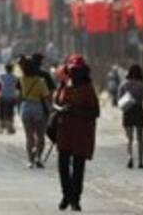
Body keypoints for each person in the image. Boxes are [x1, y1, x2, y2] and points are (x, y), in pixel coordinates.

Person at [53, 55, 99, 212]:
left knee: (78, 168)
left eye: (78, 71)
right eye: (72, 70)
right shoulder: (64, 85)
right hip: (64, 132)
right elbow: (56, 104)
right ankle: (67, 195)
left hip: (81, 134)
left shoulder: (88, 89)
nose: (75, 73)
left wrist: (78, 111)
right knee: (63, 166)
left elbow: (95, 111)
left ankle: (75, 199)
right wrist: (61, 109)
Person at [19, 55, 52, 168]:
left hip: (26, 108)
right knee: (40, 136)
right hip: (38, 109)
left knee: (29, 137)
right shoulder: (41, 81)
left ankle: (30, 160)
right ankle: (38, 157)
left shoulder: (22, 80)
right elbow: (46, 96)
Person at [117, 64, 143, 170]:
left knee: (129, 138)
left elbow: (119, 100)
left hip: (128, 111)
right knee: (140, 138)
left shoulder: (123, 85)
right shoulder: (142, 85)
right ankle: (141, 161)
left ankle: (130, 157)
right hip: (138, 110)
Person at [0, 61, 19, 135]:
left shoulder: (2, 76)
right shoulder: (15, 77)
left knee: (1, 112)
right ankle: (10, 127)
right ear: (12, 69)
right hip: (12, 97)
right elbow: (17, 87)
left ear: (5, 69)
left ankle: (1, 127)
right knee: (10, 111)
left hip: (3, 96)